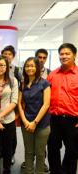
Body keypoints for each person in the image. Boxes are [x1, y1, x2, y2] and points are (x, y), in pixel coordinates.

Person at [47, 43, 78, 174]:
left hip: (73, 120)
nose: (64, 56)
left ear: (74, 55)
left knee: (72, 150)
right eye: (61, 54)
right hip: (54, 119)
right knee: (53, 149)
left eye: (67, 53)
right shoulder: (52, 75)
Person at [18, 57, 51, 174]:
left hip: (42, 124)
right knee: (28, 152)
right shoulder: (23, 84)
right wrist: (25, 121)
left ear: (37, 67)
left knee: (40, 153)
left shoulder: (45, 83)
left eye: (32, 66)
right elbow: (20, 104)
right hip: (26, 123)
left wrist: (35, 122)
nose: (29, 68)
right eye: (27, 66)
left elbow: (46, 105)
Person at [1, 45, 22, 164]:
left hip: (13, 104)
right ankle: (2, 153)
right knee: (1, 132)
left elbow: (22, 87)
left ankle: (11, 154)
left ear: (13, 56)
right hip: (0, 105)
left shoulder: (17, 70)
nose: (7, 56)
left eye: (9, 54)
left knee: (12, 134)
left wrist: (18, 108)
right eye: (5, 54)